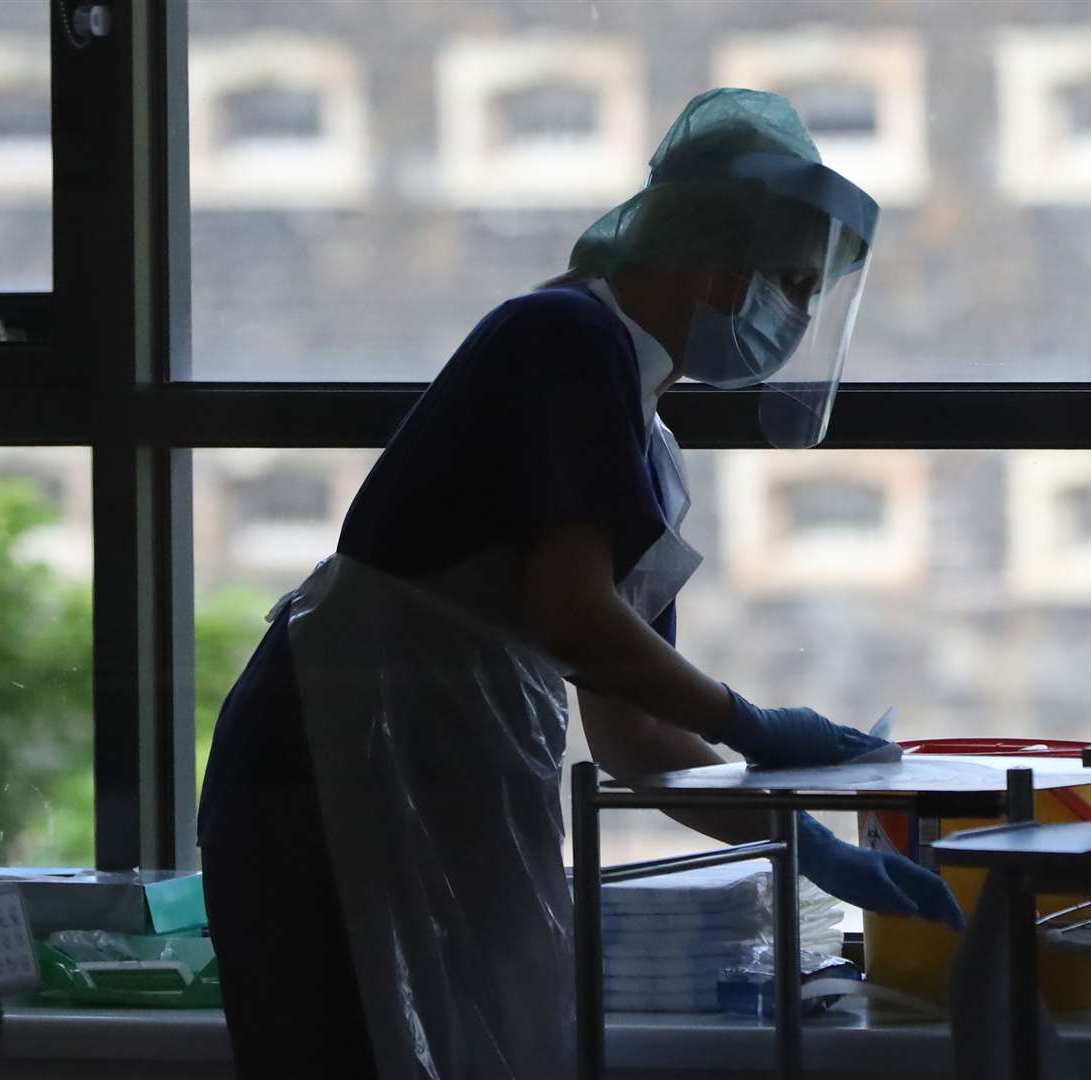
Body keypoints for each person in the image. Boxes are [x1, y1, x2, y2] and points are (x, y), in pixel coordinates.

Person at [196, 88, 963, 1080]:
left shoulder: (649, 442)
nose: (797, 313)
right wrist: (756, 723)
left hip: (434, 762)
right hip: (334, 769)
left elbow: (635, 734)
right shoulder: (561, 338)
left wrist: (811, 848)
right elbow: (578, 618)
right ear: (705, 252)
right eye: (788, 279)